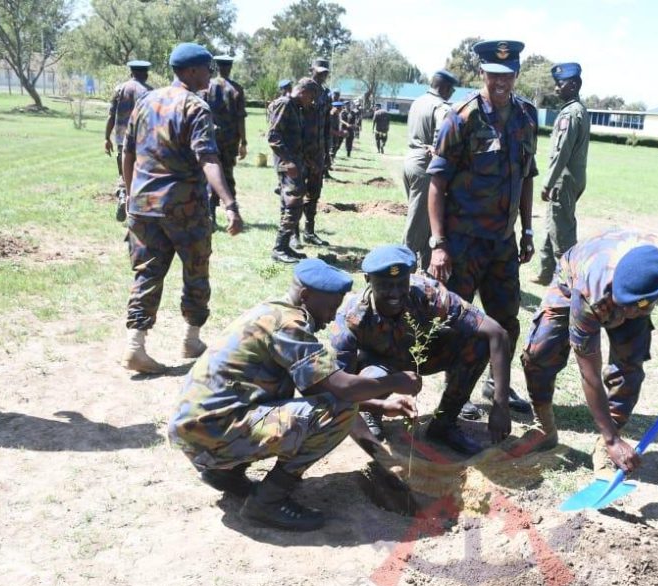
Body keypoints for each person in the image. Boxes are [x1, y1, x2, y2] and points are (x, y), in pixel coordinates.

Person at [169, 258, 421, 531]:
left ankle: (224, 473)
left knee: (322, 407)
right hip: (215, 430)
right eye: (330, 307)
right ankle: (267, 502)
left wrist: (381, 405)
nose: (330, 316)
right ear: (305, 295)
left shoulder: (271, 312)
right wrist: (395, 381)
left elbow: (318, 388)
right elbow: (343, 390)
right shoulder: (289, 326)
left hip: (198, 428)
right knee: (340, 412)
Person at [520, 229, 658, 471]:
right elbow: (590, 375)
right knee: (539, 352)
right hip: (577, 275)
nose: (621, 317)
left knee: (629, 369)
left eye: (631, 309)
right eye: (621, 306)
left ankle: (605, 447)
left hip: (628, 288)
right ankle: (544, 426)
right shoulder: (590, 295)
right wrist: (613, 440)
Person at [427, 39, 537, 418]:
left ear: (516, 75)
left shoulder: (526, 116)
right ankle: (459, 395)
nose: (500, 82)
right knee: (460, 321)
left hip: (502, 244)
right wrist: (439, 244)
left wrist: (527, 231)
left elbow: (526, 178)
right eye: (493, 75)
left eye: (507, 75)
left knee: (507, 319)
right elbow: (437, 184)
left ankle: (496, 383)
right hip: (463, 243)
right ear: (482, 73)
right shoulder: (461, 116)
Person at [120, 43, 243, 374]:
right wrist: (229, 203)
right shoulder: (196, 107)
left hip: (143, 205)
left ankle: (136, 345)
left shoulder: (146, 101)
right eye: (206, 69)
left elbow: (127, 152)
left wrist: (131, 194)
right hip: (183, 207)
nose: (210, 75)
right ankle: (191, 338)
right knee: (196, 268)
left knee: (147, 271)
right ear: (190, 71)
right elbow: (208, 158)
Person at [328, 245, 513, 456]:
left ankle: (444, 424)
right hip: (379, 368)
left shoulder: (425, 292)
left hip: (422, 355)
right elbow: (338, 391)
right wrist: (377, 407)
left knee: (477, 343)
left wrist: (501, 405)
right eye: (386, 285)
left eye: (401, 283)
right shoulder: (350, 319)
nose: (395, 293)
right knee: (369, 377)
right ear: (368, 280)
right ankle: (373, 412)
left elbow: (498, 334)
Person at [534, 62, 590, 286]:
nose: (557, 88)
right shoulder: (579, 110)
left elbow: (561, 152)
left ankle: (572, 282)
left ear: (574, 84)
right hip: (572, 179)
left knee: (562, 232)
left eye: (561, 83)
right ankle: (546, 272)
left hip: (562, 180)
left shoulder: (570, 114)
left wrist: (547, 183)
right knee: (553, 223)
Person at [402, 69, 458, 271]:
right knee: (417, 224)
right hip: (425, 166)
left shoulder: (418, 101)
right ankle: (402, 268)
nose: (451, 94)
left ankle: (425, 269)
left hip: (410, 160)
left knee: (425, 221)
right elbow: (442, 134)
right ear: (443, 87)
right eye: (451, 89)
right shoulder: (440, 106)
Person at [267, 78, 323, 264]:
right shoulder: (284, 104)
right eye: (311, 97)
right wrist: (288, 161)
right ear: (303, 92)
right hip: (288, 165)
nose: (312, 101)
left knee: (289, 204)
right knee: (293, 205)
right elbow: (274, 136)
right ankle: (279, 247)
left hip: (296, 163)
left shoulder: (295, 108)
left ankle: (285, 247)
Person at [203, 55, 248, 228]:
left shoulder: (207, 86)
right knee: (227, 175)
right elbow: (240, 118)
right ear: (230, 68)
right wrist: (243, 142)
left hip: (210, 139)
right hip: (230, 140)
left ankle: (211, 214)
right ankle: (232, 211)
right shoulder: (236, 89)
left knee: (210, 175)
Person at [104, 60, 152, 223]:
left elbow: (111, 115)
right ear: (146, 74)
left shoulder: (120, 89)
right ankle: (139, 211)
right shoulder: (150, 92)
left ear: (131, 73)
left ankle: (123, 195)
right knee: (142, 174)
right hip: (144, 140)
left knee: (124, 171)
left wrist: (106, 138)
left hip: (122, 139)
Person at [295, 58, 333, 249]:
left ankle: (309, 231)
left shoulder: (326, 95)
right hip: (301, 151)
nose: (322, 74)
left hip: (318, 151)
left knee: (314, 194)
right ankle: (294, 234)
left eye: (325, 72)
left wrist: (328, 151)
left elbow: (327, 125)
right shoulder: (302, 88)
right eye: (319, 71)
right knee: (296, 192)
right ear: (312, 70)